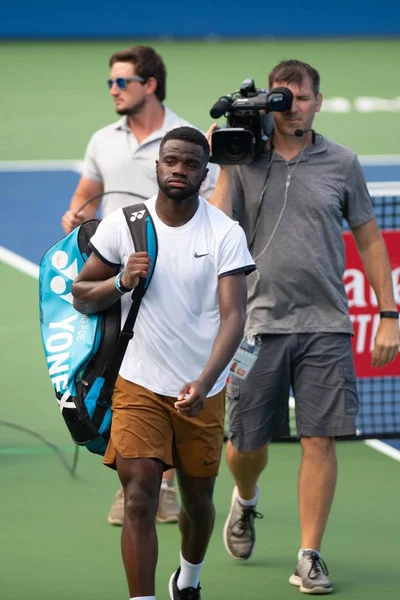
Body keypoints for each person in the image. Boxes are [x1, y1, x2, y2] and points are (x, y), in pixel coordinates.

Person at [209, 59, 400, 594]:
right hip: (253, 328)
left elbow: (368, 240)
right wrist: (226, 159)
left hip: (325, 327)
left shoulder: (342, 163)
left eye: (299, 97)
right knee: (244, 443)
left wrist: (389, 314)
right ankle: (245, 501)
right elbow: (215, 229)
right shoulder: (243, 159)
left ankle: (309, 554)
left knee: (321, 439)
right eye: (280, 97)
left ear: (318, 102)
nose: (290, 106)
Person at [71, 126, 255, 600]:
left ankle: (187, 580)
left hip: (202, 389)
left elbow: (234, 318)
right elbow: (81, 296)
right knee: (139, 497)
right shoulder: (124, 225)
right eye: (171, 161)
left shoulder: (224, 233)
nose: (179, 170)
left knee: (198, 503)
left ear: (204, 172)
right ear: (158, 167)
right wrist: (120, 283)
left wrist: (205, 381)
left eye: (190, 164)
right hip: (137, 383)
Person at [62, 44, 219, 526]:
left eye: (121, 82)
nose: (113, 89)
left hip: (177, 286)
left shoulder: (186, 143)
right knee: (117, 372)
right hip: (119, 278)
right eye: (111, 82)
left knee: (169, 377)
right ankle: (138, 475)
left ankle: (164, 485)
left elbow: (211, 211)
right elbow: (86, 196)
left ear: (149, 85)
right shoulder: (101, 140)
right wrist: (77, 215)